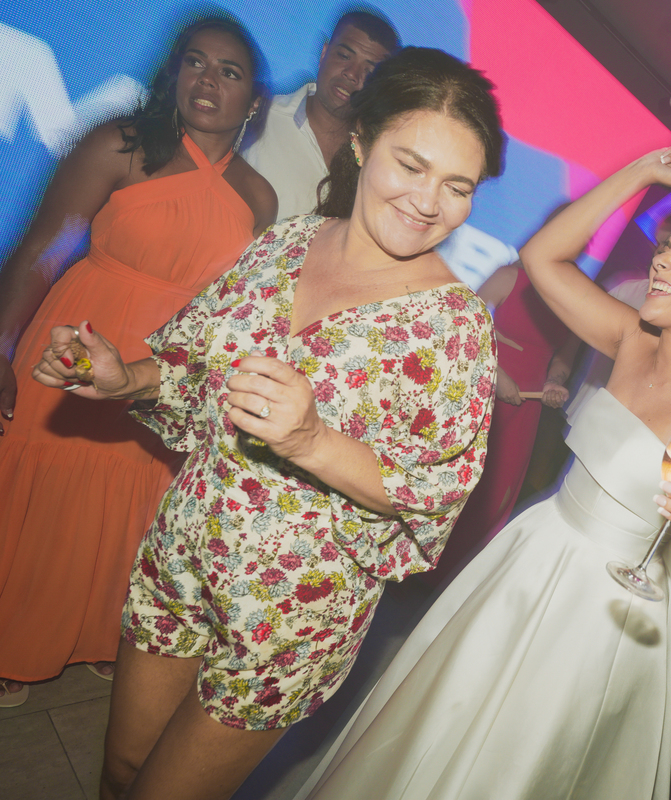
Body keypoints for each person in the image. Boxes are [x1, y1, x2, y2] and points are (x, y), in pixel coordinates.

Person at [30, 47, 502, 800]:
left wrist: (311, 440)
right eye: (411, 165)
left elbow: (429, 494)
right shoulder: (286, 243)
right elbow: (193, 367)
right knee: (120, 772)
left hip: (292, 613)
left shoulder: (456, 330)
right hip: (184, 554)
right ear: (361, 142)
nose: (427, 201)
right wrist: (125, 377)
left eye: (457, 186)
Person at [292, 145, 671, 800]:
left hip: (610, 609)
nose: (661, 261)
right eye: (665, 248)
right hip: (536, 548)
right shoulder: (631, 339)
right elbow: (541, 256)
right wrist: (639, 174)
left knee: (519, 758)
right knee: (452, 711)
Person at [0, 17, 276, 708]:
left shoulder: (259, 197)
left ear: (254, 101)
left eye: (229, 71)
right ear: (173, 72)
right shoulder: (119, 144)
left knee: (130, 515)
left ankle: (99, 632)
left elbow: (231, 311)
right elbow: (43, 248)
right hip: (73, 345)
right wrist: (1, 345)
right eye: (195, 62)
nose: (207, 80)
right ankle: (12, 643)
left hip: (161, 378)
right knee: (45, 501)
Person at [429, 260, 576, 581]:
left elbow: (563, 359)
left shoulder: (572, 299)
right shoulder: (510, 276)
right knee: (451, 476)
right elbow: (465, 325)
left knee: (495, 488)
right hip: (480, 386)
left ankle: (450, 578)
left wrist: (554, 382)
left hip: (526, 404)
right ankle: (416, 564)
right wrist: (495, 373)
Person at [242, 11, 399, 221]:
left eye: (369, 72)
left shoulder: (377, 161)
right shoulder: (258, 118)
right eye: (344, 56)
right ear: (324, 53)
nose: (351, 74)